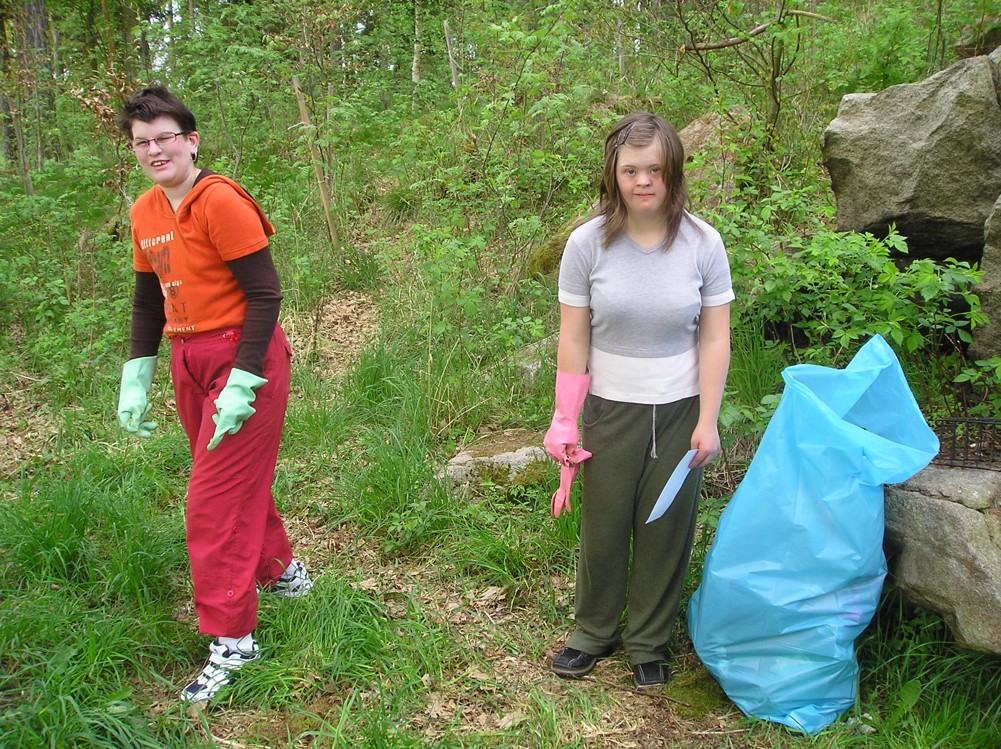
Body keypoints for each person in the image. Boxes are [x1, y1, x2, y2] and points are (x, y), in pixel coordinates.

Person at [115, 86, 313, 705]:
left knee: (211, 502)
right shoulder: (145, 211)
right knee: (230, 479)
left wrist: (244, 380)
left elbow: (265, 294)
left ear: (191, 140)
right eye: (142, 142)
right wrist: (137, 374)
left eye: (165, 137)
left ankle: (234, 640)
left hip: (242, 355)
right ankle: (281, 573)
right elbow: (148, 300)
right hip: (188, 358)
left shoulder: (219, 200)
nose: (155, 150)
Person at [544, 112, 733, 688]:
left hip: (680, 412)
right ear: (614, 174)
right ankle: (593, 632)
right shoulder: (586, 244)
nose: (643, 181)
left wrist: (708, 419)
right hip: (609, 410)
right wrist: (565, 420)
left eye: (655, 169)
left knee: (665, 527)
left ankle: (649, 641)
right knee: (604, 526)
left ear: (673, 171)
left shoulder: (703, 243)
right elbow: (574, 337)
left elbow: (715, 336)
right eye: (631, 170)